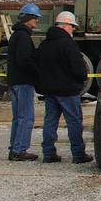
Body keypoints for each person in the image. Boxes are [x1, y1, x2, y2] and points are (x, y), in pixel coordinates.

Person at [35, 11, 93, 164]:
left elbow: (38, 65)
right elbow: (79, 69)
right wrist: (81, 78)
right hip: (68, 91)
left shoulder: (44, 44)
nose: (73, 29)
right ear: (66, 26)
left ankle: (48, 153)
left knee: (50, 122)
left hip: (49, 90)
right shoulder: (69, 44)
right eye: (72, 26)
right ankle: (78, 154)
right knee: (74, 122)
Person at [5, 3, 41, 161]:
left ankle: (14, 148)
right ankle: (19, 150)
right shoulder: (24, 37)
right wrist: (38, 72)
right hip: (23, 82)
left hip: (14, 81)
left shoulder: (16, 35)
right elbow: (25, 60)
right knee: (26, 117)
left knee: (18, 117)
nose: (37, 21)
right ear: (28, 18)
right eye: (35, 18)